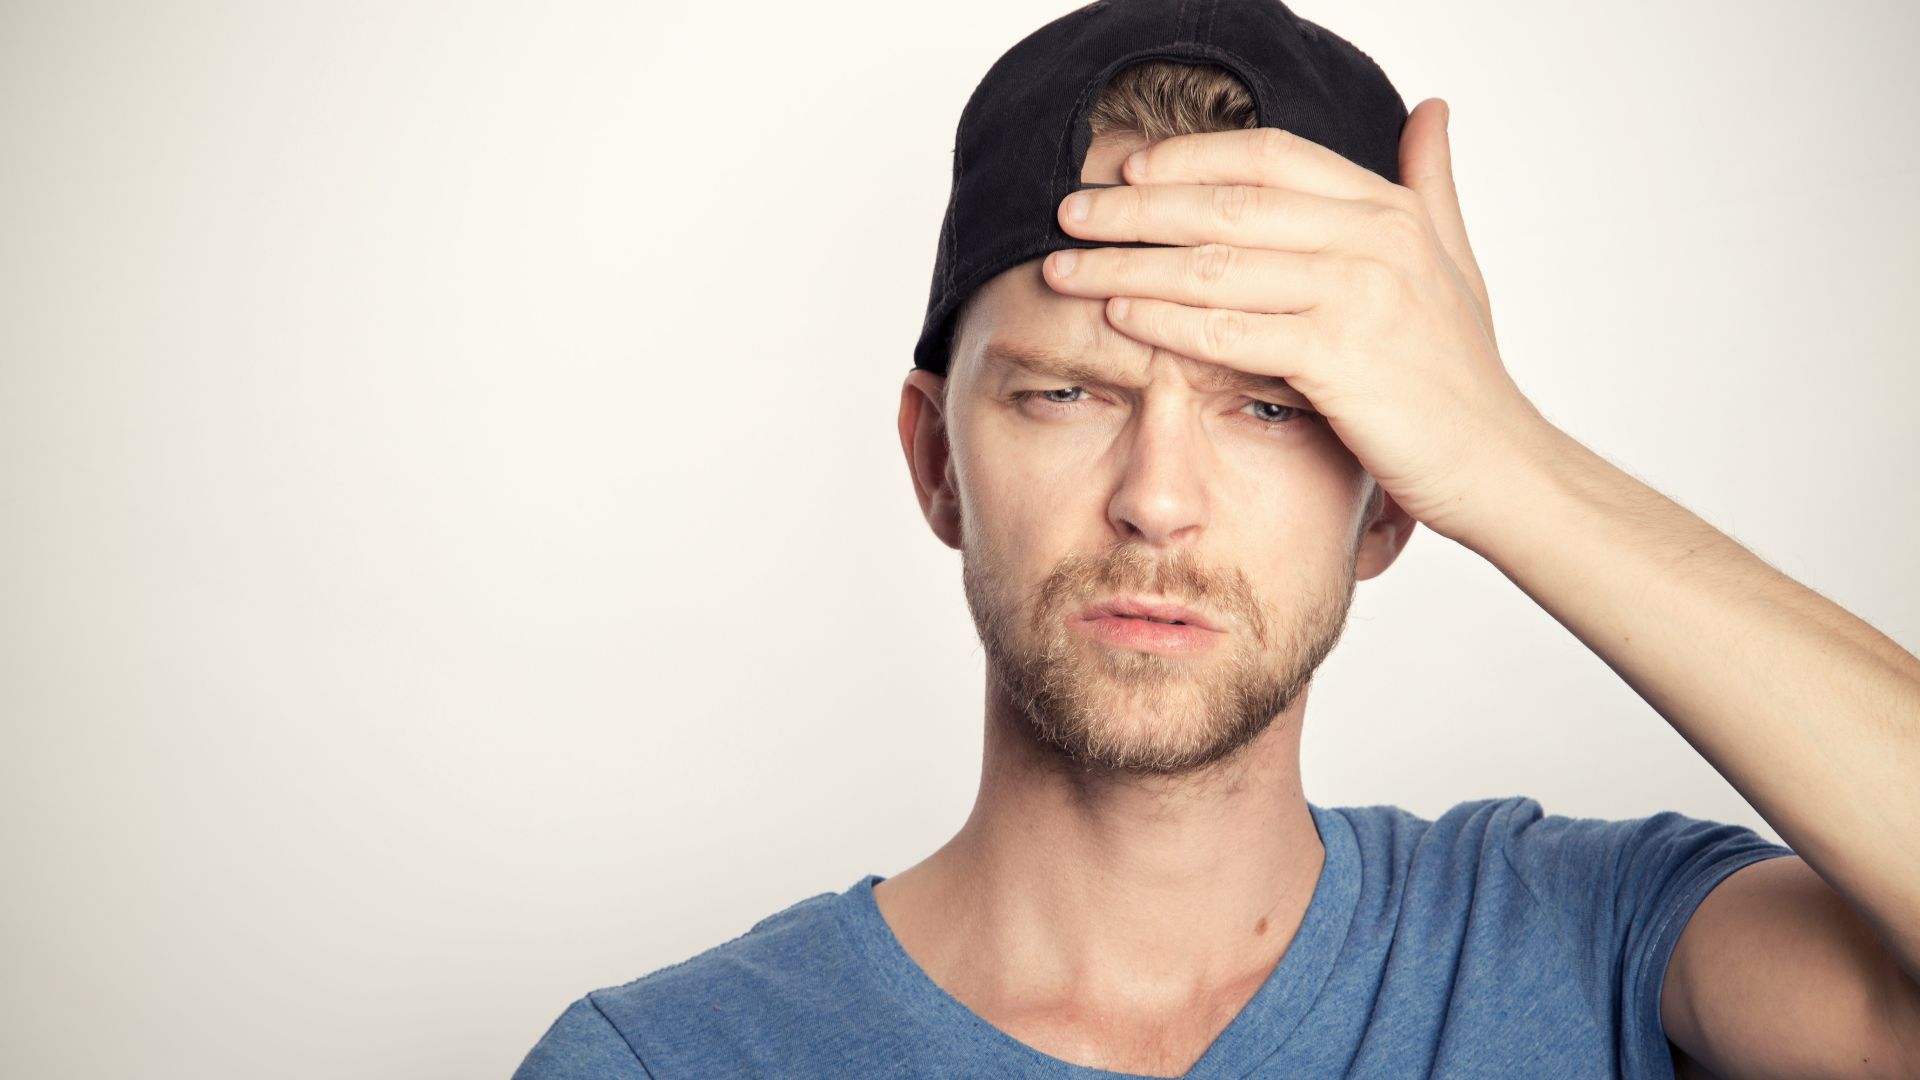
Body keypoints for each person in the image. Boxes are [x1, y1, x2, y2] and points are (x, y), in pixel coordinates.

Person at [513, 2, 1920, 1077]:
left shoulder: (1590, 944)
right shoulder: (661, 1062)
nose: (1158, 498)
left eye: (1268, 407)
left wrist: (1512, 459)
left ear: (1392, 502)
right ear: (938, 462)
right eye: (1067, 394)